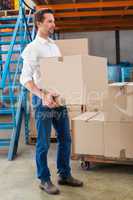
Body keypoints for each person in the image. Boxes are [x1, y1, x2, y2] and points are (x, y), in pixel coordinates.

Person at [20, 8, 83, 195]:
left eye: (54, 21)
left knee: (66, 138)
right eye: (49, 21)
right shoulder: (32, 48)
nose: (53, 24)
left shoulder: (54, 45)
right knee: (44, 142)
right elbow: (24, 79)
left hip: (59, 99)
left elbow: (58, 72)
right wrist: (42, 95)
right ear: (39, 23)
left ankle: (64, 174)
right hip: (43, 102)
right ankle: (44, 179)